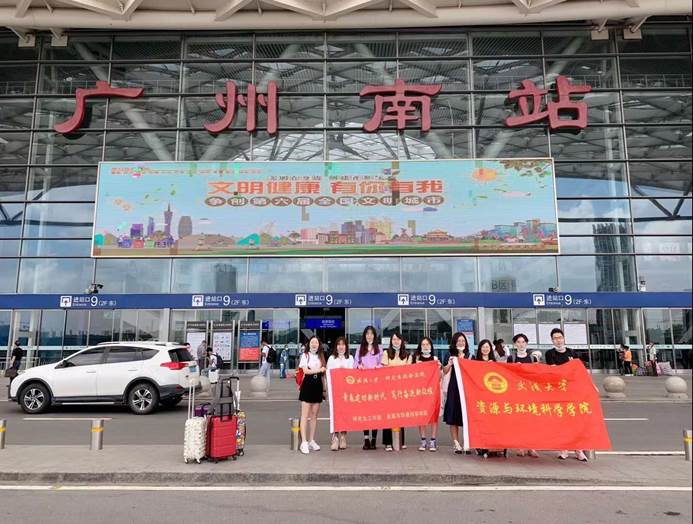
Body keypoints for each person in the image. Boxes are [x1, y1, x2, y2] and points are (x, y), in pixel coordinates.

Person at [546, 328, 588, 462]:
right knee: (562, 420)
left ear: (564, 338)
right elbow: (554, 371)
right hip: (558, 391)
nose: (558, 340)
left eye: (560, 337)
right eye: (555, 338)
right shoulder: (550, 353)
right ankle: (563, 449)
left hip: (573, 390)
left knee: (575, 420)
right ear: (552, 340)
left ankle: (578, 449)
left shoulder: (572, 352)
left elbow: (578, 370)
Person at [507, 333, 539, 458]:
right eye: (518, 342)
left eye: (523, 342)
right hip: (517, 393)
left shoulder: (532, 358)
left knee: (532, 421)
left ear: (526, 343)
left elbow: (537, 374)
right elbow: (507, 374)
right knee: (519, 420)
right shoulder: (511, 358)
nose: (521, 344)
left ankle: (532, 446)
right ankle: (520, 446)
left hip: (530, 393)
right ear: (515, 344)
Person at [381, 331, 411, 451]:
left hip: (401, 390)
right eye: (394, 339)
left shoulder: (407, 355)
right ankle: (388, 442)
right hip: (388, 389)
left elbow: (408, 372)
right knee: (388, 415)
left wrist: (393, 369)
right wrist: (398, 370)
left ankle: (401, 441)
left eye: (398, 339)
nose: (396, 341)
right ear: (391, 341)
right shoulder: (386, 353)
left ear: (401, 341)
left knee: (400, 415)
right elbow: (384, 370)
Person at [353, 325, 382, 450]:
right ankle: (366, 439)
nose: (369, 336)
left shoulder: (379, 349)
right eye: (367, 333)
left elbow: (382, 364)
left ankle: (374, 439)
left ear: (374, 336)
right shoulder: (360, 349)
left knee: (375, 412)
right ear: (364, 336)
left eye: (371, 333)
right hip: (363, 385)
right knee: (364, 412)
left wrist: (377, 367)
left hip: (376, 385)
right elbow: (355, 363)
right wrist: (359, 366)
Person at [298, 335, 326, 455]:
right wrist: (319, 370)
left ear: (319, 345)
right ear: (309, 344)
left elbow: (323, 376)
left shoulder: (321, 357)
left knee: (314, 415)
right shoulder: (305, 356)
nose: (314, 344)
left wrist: (324, 390)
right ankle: (304, 442)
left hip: (317, 386)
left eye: (316, 343)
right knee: (304, 415)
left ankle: (311, 440)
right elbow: (306, 371)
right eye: (312, 342)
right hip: (308, 385)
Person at [443, 332, 470, 454]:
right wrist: (449, 363)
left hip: (466, 388)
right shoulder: (449, 355)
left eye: (463, 341)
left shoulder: (469, 356)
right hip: (454, 388)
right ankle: (456, 443)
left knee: (466, 416)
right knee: (453, 415)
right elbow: (444, 371)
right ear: (454, 342)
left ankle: (467, 443)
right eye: (459, 341)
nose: (461, 343)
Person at [412, 336, 440, 452]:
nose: (425, 346)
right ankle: (423, 440)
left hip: (432, 392)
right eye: (423, 345)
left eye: (427, 344)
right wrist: (415, 366)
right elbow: (411, 375)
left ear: (431, 346)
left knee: (433, 416)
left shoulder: (435, 359)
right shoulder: (416, 358)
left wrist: (439, 367)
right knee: (421, 415)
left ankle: (433, 440)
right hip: (420, 392)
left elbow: (439, 376)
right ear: (420, 346)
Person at [326, 337, 354, 451]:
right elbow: (328, 374)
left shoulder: (350, 358)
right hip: (335, 392)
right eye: (339, 344)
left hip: (346, 392)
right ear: (336, 347)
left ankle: (343, 437)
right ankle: (335, 438)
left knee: (344, 415)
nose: (341, 347)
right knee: (335, 415)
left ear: (346, 346)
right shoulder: (332, 358)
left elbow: (353, 373)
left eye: (343, 344)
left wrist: (345, 371)